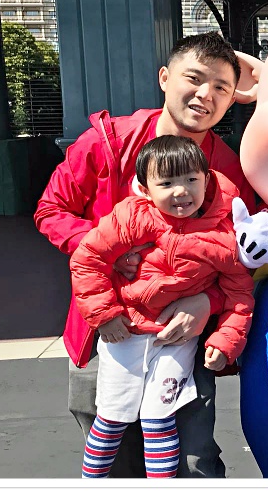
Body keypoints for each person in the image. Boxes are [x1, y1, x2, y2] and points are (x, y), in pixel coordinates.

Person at [34, 31, 255, 478]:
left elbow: (243, 255)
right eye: (193, 78)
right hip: (105, 321)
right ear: (164, 77)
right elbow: (50, 209)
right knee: (110, 451)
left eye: (221, 88)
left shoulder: (231, 170)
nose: (204, 95)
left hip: (183, 333)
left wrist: (207, 302)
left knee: (193, 460)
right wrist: (103, 249)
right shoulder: (106, 142)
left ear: (231, 101)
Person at [71, 135, 254, 478]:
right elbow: (89, 258)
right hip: (124, 334)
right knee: (110, 421)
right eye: (166, 183)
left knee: (159, 420)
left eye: (190, 180)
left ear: (206, 179)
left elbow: (239, 296)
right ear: (144, 187)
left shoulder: (223, 235)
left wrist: (224, 342)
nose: (181, 191)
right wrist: (104, 315)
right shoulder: (132, 218)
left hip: (175, 342)